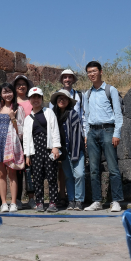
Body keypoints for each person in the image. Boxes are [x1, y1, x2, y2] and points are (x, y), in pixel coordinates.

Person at [82, 61, 124, 212]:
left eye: (94, 71)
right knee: (93, 169)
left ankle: (116, 200)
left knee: (113, 167)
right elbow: (86, 116)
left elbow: (118, 114)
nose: (91, 74)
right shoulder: (87, 94)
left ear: (100, 71)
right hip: (92, 132)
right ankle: (97, 201)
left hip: (108, 130)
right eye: (88, 72)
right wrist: (86, 134)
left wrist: (116, 133)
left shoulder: (110, 90)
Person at [49, 69, 86, 207]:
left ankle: (79, 200)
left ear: (68, 101)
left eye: (64, 98)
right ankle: (71, 200)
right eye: (59, 98)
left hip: (76, 148)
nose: (61, 100)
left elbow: (78, 133)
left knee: (80, 174)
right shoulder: (53, 116)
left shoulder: (73, 115)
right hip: (63, 150)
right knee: (69, 176)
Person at [0, 83, 25, 213]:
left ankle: (13, 202)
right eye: (5, 92)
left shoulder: (18, 109)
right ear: (1, 95)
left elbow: (21, 131)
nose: (7, 94)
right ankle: (3, 202)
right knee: (1, 173)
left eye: (9, 91)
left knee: (12, 172)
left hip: (12, 143)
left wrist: (13, 118)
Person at [23, 87, 61, 212]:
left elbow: (55, 129)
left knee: (51, 177)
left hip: (48, 147)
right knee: (37, 177)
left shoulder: (49, 112)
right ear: (29, 100)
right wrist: (27, 155)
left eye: (38, 97)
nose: (36, 100)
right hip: (35, 150)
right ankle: (39, 202)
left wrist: (55, 147)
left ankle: (53, 202)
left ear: (42, 98)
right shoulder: (28, 119)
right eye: (33, 97)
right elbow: (27, 139)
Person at [11, 75, 36, 210]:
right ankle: (18, 198)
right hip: (16, 138)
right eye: (18, 84)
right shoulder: (12, 102)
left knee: (30, 169)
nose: (21, 86)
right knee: (18, 169)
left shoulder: (32, 100)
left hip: (32, 137)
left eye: (23, 84)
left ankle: (32, 198)